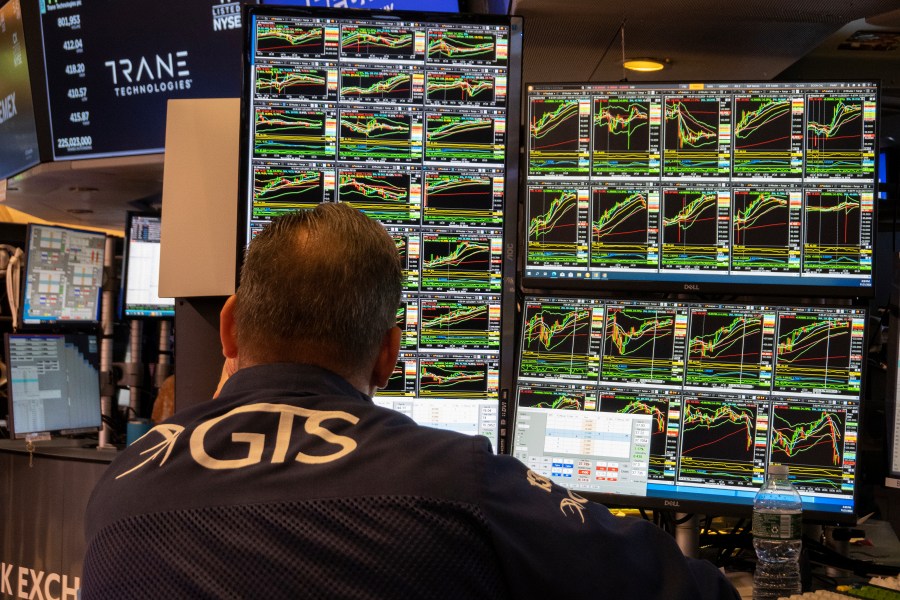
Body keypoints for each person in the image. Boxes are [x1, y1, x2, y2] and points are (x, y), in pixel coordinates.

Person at [82, 202, 739, 599]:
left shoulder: (121, 486)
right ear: (388, 355)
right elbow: (689, 594)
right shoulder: (457, 481)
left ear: (229, 326)